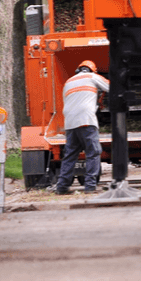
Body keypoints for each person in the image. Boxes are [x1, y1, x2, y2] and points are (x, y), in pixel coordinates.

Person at [55, 60, 109, 194]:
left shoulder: (68, 82)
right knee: (93, 152)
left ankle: (62, 187)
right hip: (86, 120)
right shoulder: (92, 76)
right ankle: (90, 186)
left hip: (70, 123)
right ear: (92, 70)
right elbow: (112, 88)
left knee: (70, 155)